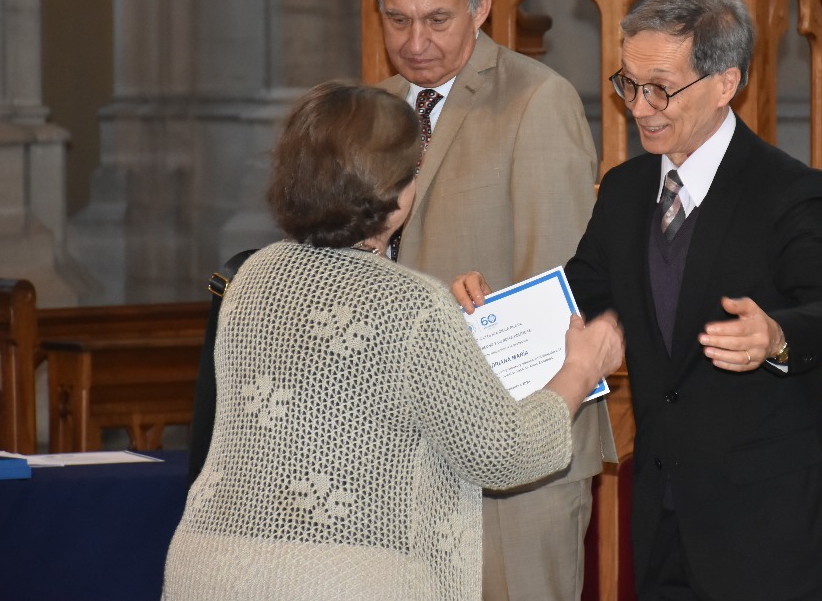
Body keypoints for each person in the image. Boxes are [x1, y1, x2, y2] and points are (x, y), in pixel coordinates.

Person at [455, 0, 822, 600]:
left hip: (764, 526)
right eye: (629, 85)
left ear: (726, 83)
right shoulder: (624, 191)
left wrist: (777, 336)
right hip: (661, 513)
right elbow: (577, 298)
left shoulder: (784, 190)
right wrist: (489, 308)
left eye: (660, 89)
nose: (639, 107)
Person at [162, 81, 622, 600]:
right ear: (397, 192)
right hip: (340, 582)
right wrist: (581, 369)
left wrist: (445, 321)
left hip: (214, 568)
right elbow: (503, 454)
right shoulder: (412, 306)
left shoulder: (254, 276)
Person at [372, 0, 613, 600]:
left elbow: (556, 297)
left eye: (437, 19)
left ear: (479, 8)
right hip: (403, 452)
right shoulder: (375, 111)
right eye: (398, 19)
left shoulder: (536, 101)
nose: (415, 42)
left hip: (517, 462)